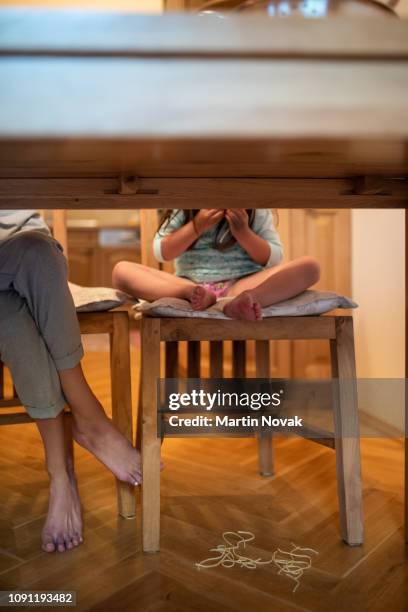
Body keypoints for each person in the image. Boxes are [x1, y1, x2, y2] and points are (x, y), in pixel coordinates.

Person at [0, 210, 141, 554]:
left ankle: (61, 474)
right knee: (26, 274)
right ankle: (89, 420)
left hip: (30, 259)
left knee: (34, 254)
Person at [112, 209, 320, 320]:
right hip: (188, 283)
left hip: (241, 284)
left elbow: (273, 259)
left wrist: (243, 232)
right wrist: (197, 226)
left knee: (310, 266)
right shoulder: (183, 209)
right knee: (121, 271)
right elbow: (162, 252)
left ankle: (248, 300)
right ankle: (192, 293)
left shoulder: (257, 210)